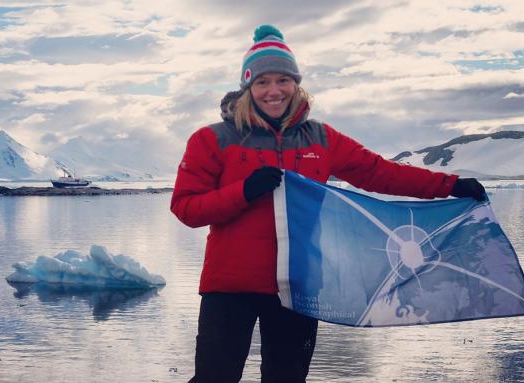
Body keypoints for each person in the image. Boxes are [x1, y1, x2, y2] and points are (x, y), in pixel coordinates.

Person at [170, 24, 486, 383]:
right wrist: (244, 192)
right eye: (262, 82)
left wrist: (449, 184)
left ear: (296, 84)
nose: (273, 91)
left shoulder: (320, 137)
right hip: (229, 287)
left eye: (283, 80)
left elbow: (378, 172)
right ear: (248, 87)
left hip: (298, 286)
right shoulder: (213, 139)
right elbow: (186, 208)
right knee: (215, 378)